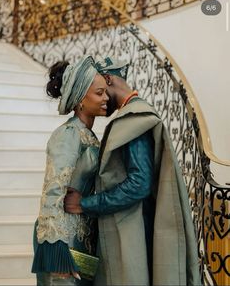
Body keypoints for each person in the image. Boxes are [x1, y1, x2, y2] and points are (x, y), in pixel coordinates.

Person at [64, 57, 202, 286]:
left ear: (107, 79)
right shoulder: (131, 116)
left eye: (100, 90)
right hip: (129, 226)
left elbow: (139, 184)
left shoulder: (133, 119)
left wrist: (86, 204)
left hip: (132, 231)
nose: (103, 99)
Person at [31, 55, 109, 286]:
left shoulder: (88, 135)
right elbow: (52, 192)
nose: (106, 98)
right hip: (61, 239)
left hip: (82, 236)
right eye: (99, 93)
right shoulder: (68, 135)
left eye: (105, 91)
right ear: (79, 100)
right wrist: (56, 254)